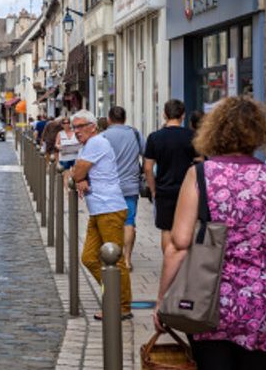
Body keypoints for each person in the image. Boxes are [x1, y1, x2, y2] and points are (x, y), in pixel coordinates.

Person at [155, 97, 266, 370]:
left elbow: (179, 244)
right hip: (261, 304)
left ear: (214, 131)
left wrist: (163, 300)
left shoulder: (199, 174)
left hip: (209, 302)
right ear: (258, 133)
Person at [70, 110, 133, 320]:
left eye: (80, 126)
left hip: (110, 208)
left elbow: (76, 172)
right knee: (89, 258)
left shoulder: (96, 142)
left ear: (93, 126)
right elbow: (74, 174)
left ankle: (121, 306)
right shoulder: (88, 146)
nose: (76, 131)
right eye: (74, 127)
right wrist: (79, 177)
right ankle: (113, 297)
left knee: (114, 260)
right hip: (98, 209)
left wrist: (80, 176)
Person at [144, 99, 198, 252]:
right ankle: (184, 264)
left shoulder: (155, 137)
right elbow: (200, 162)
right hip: (188, 191)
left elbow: (148, 168)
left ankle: (169, 262)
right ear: (183, 115)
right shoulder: (192, 136)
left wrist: (153, 190)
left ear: (164, 114)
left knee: (166, 229)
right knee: (188, 227)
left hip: (164, 189)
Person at [102, 106, 145, 270]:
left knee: (111, 222)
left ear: (109, 119)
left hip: (109, 187)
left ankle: (112, 255)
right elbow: (146, 154)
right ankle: (126, 259)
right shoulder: (135, 133)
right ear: (125, 119)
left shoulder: (104, 136)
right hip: (130, 186)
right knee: (129, 222)